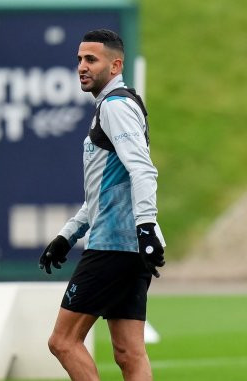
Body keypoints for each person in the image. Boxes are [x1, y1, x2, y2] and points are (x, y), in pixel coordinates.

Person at [37, 29, 165, 380]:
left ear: (115, 64)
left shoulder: (115, 106)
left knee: (63, 341)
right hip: (130, 246)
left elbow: (143, 170)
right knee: (129, 353)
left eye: (91, 59)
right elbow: (103, 192)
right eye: (79, 59)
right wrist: (67, 235)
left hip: (113, 245)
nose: (81, 66)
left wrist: (147, 226)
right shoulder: (116, 105)